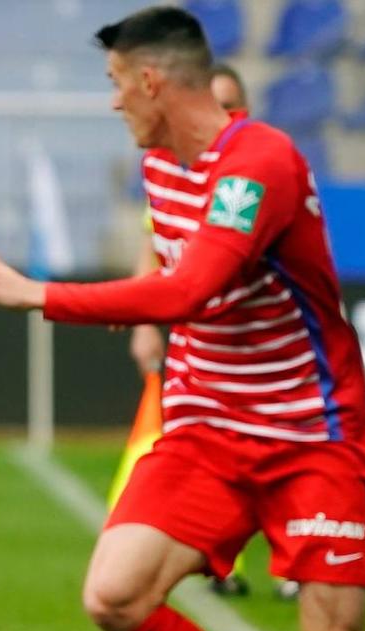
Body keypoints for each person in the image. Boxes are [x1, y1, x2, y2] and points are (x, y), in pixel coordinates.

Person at [0, 8, 365, 631]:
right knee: (114, 595)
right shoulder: (159, 166)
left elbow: (191, 289)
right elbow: (172, 274)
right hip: (204, 431)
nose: (114, 100)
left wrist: (40, 294)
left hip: (310, 437)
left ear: (151, 81)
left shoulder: (261, 162)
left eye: (118, 82)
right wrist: (141, 304)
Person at [123, 61, 300, 600]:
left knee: (283, 454)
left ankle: (299, 562)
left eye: (227, 105)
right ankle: (222, 562)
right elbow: (156, 248)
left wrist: (53, 299)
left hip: (266, 352)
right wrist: (144, 322)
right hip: (206, 348)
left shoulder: (261, 172)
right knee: (208, 456)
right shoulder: (170, 174)